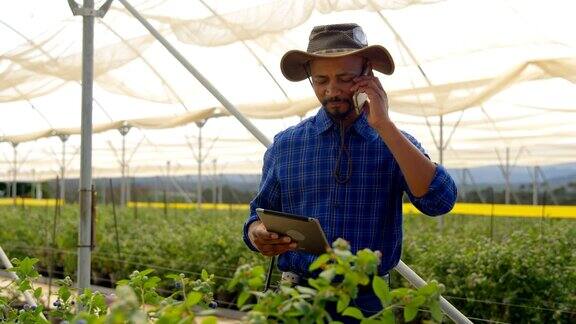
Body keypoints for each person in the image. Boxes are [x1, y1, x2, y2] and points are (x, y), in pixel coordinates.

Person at [242, 23, 457, 319]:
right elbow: (258, 214)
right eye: (320, 80)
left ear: (368, 73)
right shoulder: (286, 145)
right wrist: (258, 233)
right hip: (297, 299)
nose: (332, 90)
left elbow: (439, 201)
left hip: (366, 303)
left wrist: (384, 125)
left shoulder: (393, 143)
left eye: (345, 78)